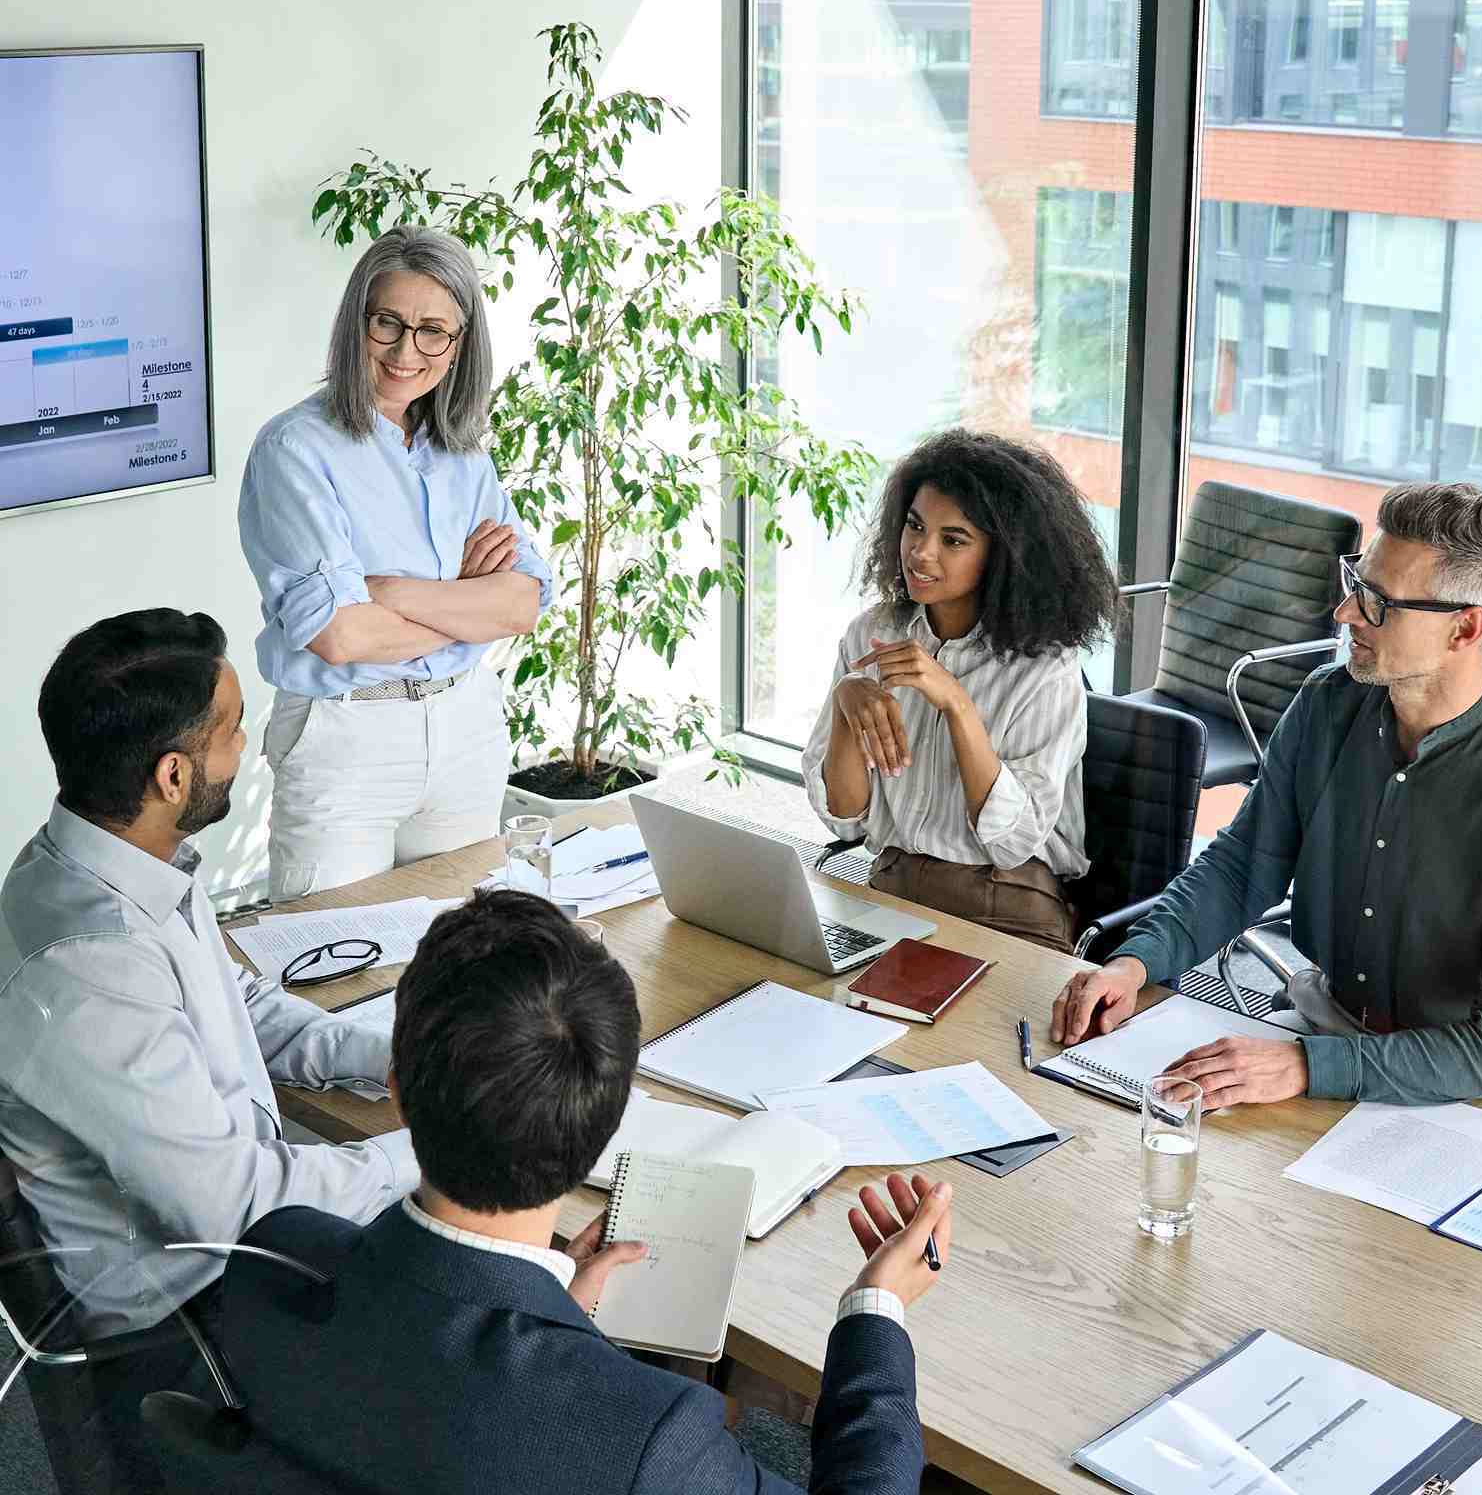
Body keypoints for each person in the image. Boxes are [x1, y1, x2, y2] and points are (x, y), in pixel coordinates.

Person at [223, 890, 946, 1495]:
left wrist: (554, 1311)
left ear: (398, 1095)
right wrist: (876, 1311)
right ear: (602, 1132)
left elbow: (429, 1400)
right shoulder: (645, 1437)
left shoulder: (271, 1263)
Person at [0, 609, 418, 1490]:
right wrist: (429, 1150)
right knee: (485, 1339)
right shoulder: (86, 967)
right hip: (187, 1331)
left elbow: (243, 1004)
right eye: (232, 730)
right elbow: (236, 1209)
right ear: (173, 773)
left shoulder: (111, 862)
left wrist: (394, 1058)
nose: (250, 750)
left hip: (224, 1252)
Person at [1052, 481, 1482, 1109]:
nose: (1345, 615)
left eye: (1378, 603)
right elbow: (1242, 867)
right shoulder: (1327, 701)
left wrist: (1304, 1066)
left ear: (1466, 629)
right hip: (1319, 1026)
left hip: (1457, 1085)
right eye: (1355, 585)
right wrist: (1135, 963)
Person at [239, 224, 553, 899]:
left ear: (459, 344)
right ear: (357, 322)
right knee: (333, 971)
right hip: (346, 737)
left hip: (465, 729)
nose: (408, 350)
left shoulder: (464, 451)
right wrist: (468, 603)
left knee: (467, 969)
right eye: (389, 323)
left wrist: (391, 592)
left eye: (433, 330)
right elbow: (340, 634)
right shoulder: (295, 450)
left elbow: (523, 604)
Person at [801, 429, 1117, 952]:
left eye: (953, 539)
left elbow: (1014, 844)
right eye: (915, 526)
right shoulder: (869, 635)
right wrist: (845, 706)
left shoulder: (1046, 670)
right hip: (893, 890)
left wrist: (956, 703)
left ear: (1004, 555)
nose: (921, 553)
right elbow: (846, 818)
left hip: (1006, 909)